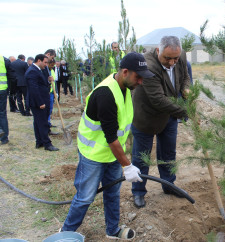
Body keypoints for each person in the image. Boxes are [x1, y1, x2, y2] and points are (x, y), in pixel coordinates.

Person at [61, 52, 154, 240]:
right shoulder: (105, 94)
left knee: (112, 194)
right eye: (139, 77)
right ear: (125, 72)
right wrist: (127, 165)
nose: (141, 82)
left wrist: (123, 160)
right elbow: (111, 137)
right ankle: (65, 234)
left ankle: (112, 230)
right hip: (93, 154)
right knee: (85, 197)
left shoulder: (125, 88)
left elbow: (122, 127)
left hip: (112, 154)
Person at [131, 36, 190, 208]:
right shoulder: (148, 65)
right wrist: (188, 112)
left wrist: (186, 89)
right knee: (141, 157)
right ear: (158, 51)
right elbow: (158, 100)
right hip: (146, 116)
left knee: (168, 154)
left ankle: (169, 185)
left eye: (175, 59)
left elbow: (185, 77)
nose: (172, 62)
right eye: (167, 58)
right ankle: (138, 192)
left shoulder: (180, 56)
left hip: (169, 116)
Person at [25, 54, 59, 151]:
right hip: (38, 102)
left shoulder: (38, 70)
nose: (46, 64)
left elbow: (41, 84)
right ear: (39, 61)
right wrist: (40, 103)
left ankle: (39, 142)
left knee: (37, 122)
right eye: (45, 62)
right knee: (43, 123)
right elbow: (34, 89)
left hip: (41, 100)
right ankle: (47, 144)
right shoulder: (32, 71)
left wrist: (48, 80)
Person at [0, 55, 16, 144]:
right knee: (2, 113)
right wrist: (11, 91)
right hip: (2, 90)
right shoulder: (4, 60)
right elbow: (13, 77)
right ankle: (4, 138)